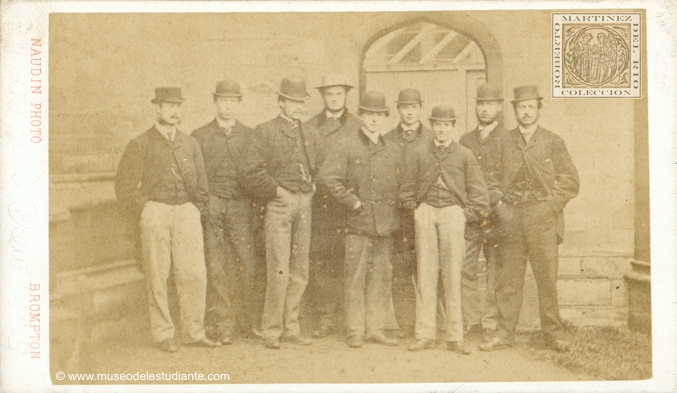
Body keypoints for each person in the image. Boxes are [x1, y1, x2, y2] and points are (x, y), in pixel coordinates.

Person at [115, 87, 220, 352]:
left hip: (186, 210)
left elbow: (202, 184)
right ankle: (163, 333)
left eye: (178, 106)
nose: (175, 111)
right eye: (169, 106)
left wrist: (196, 208)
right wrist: (145, 210)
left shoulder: (189, 143)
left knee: (194, 273)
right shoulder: (140, 144)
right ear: (157, 109)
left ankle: (193, 331)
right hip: (156, 212)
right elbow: (125, 189)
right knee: (157, 274)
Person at [479, 85, 580, 353]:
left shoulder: (552, 141)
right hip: (510, 217)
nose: (525, 112)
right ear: (514, 110)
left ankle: (554, 334)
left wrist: (548, 207)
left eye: (530, 107)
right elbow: (488, 178)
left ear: (539, 110)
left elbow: (570, 181)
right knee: (508, 280)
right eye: (521, 107)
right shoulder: (502, 142)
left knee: (546, 278)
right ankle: (503, 333)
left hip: (542, 218)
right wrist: (499, 204)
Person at [401, 105, 489, 354]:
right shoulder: (419, 152)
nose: (441, 129)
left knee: (453, 275)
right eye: (437, 124)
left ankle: (455, 336)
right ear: (432, 125)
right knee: (425, 274)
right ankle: (425, 334)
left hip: (453, 213)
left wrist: (463, 214)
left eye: (446, 124)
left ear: (453, 126)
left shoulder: (464, 154)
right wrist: (416, 209)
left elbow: (480, 196)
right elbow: (406, 191)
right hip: (426, 211)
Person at [318, 91, 403, 349]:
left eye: (379, 115)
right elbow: (327, 179)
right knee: (354, 277)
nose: (375, 120)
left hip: (385, 225)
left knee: (381, 277)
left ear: (384, 117)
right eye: (369, 114)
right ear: (362, 116)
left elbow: (401, 184)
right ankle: (355, 330)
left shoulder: (392, 149)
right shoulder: (346, 145)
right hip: (357, 223)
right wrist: (352, 202)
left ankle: (375, 328)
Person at [244, 77, 321, 349]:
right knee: (279, 268)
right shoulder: (265, 131)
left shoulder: (310, 132)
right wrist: (277, 191)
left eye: (302, 102)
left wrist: (311, 188)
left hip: (305, 202)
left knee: (300, 268)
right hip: (280, 203)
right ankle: (271, 330)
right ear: (281, 102)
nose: (298, 107)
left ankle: (292, 326)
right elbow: (252, 171)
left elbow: (319, 165)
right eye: (293, 102)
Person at [191, 80, 265, 344]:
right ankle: (222, 324)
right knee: (216, 265)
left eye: (233, 101)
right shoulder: (199, 136)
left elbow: (256, 174)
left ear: (239, 103)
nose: (229, 106)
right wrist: (205, 204)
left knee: (248, 264)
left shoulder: (249, 135)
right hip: (212, 206)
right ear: (215, 101)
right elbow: (195, 177)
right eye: (224, 100)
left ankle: (249, 321)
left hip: (241, 207)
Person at [304, 75, 362, 338]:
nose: (334, 98)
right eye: (329, 94)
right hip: (322, 205)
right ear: (323, 97)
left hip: (349, 203)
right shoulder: (309, 127)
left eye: (339, 94)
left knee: (350, 261)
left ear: (346, 96)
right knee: (324, 262)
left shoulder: (358, 125)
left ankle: (349, 320)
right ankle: (326, 317)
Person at [384, 88, 434, 338]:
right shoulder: (387, 139)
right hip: (399, 216)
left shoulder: (434, 137)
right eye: (405, 107)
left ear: (421, 108)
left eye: (414, 106)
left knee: (430, 269)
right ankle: (406, 325)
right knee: (401, 270)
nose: (410, 112)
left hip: (427, 212)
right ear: (398, 109)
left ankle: (431, 325)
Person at [458, 83, 506, 342]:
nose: (485, 109)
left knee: (494, 269)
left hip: (497, 216)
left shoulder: (509, 139)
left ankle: (489, 322)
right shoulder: (465, 140)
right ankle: (470, 320)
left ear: (499, 106)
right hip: (471, 216)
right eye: (480, 104)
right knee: (464, 268)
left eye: (489, 104)